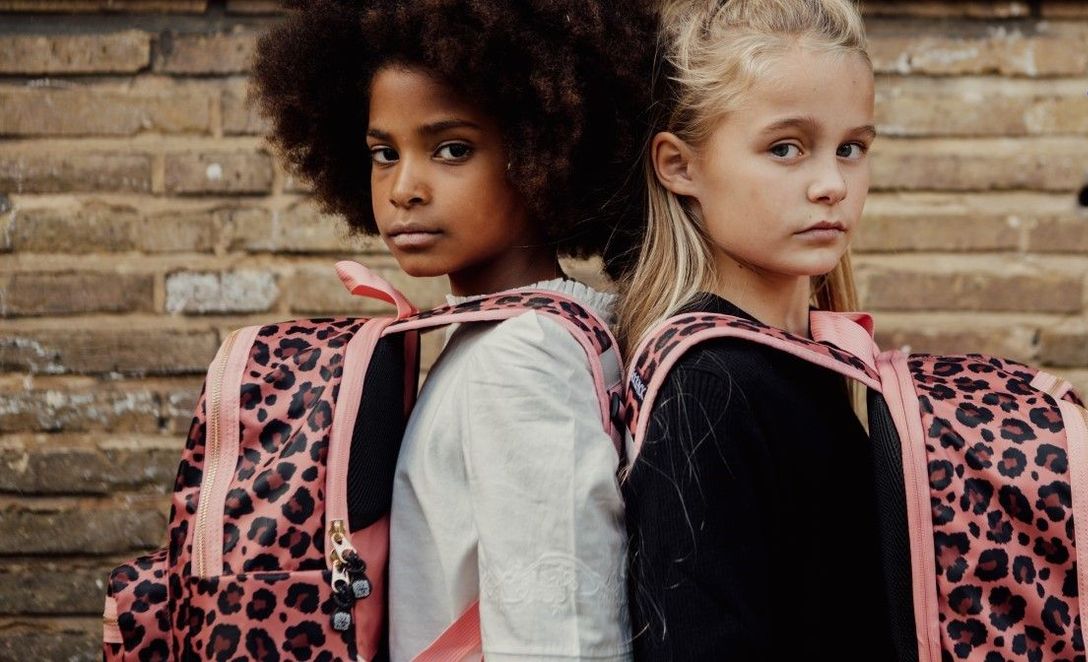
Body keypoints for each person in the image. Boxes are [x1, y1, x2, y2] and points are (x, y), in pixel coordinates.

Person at [250, 2, 653, 659]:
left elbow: (561, 636)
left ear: (544, 150)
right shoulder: (502, 334)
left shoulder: (524, 354)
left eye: (452, 149)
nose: (404, 187)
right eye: (384, 153)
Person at [614, 0, 888, 659]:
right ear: (679, 165)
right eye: (785, 148)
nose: (832, 184)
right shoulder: (708, 386)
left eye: (851, 148)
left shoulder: (803, 361)